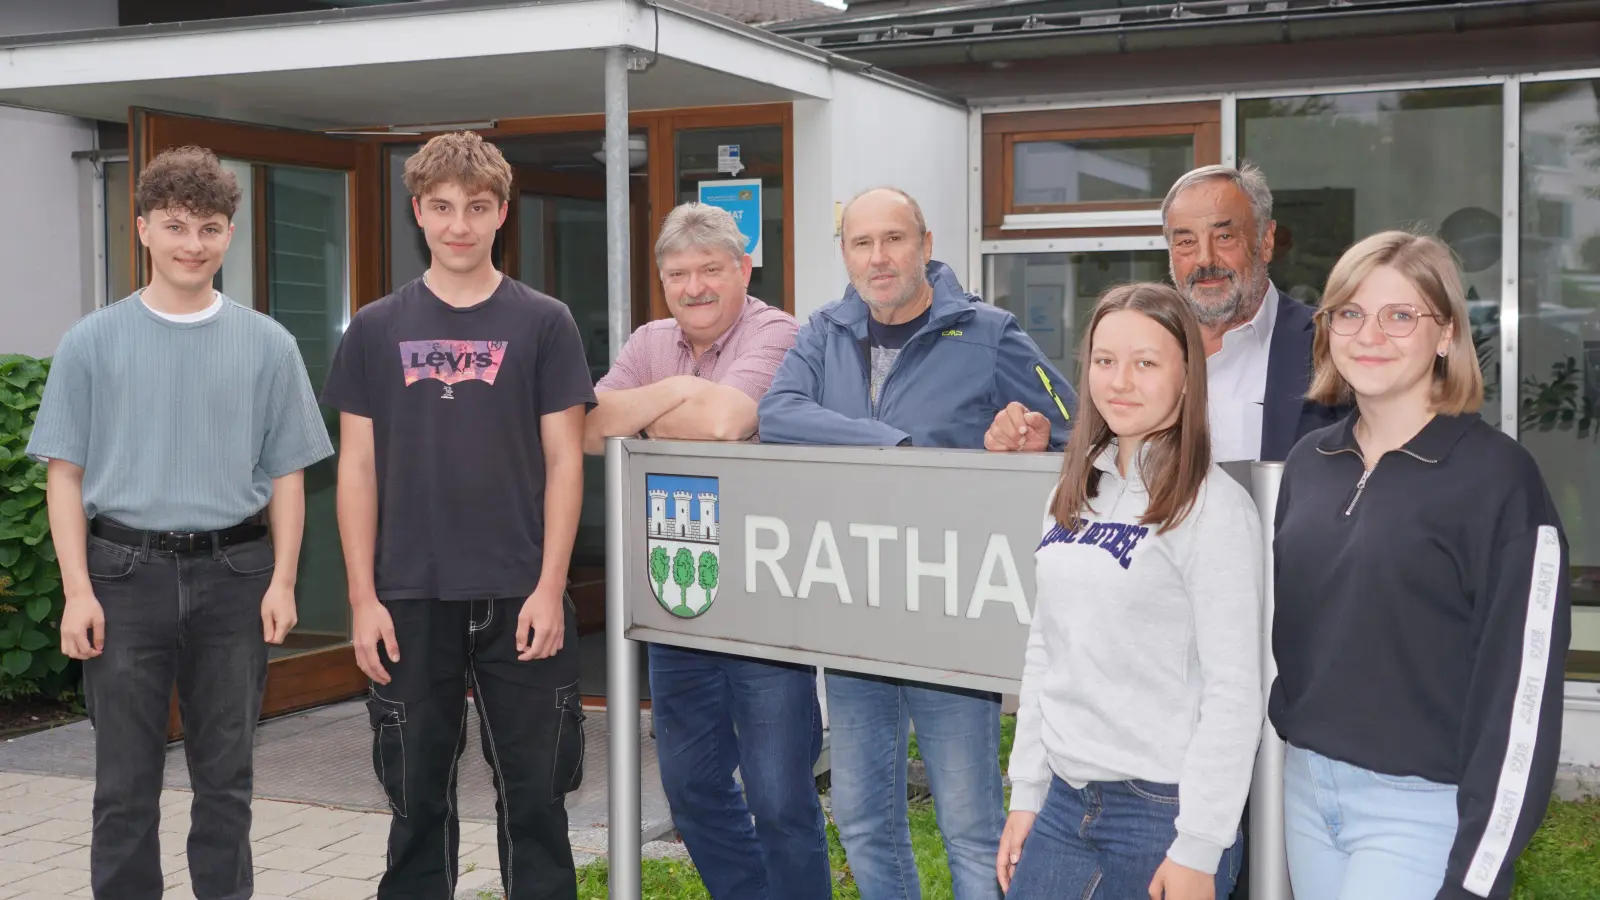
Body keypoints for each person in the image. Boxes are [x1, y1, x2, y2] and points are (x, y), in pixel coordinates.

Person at [26, 146, 333, 900]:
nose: (192, 243)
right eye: (175, 226)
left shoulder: (269, 344)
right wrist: (76, 592)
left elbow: (289, 477)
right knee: (124, 785)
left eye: (208, 227)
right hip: (121, 578)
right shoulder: (92, 341)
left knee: (226, 780)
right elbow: (63, 476)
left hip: (236, 577)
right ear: (142, 230)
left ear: (229, 234)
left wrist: (284, 581)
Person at [758, 186, 1074, 900]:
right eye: (862, 243)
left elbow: (1071, 424)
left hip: (947, 612)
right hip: (856, 606)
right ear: (845, 254)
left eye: (894, 239)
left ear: (925, 245)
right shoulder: (823, 331)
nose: (879, 257)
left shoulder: (988, 331)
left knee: (970, 824)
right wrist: (892, 444)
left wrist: (1025, 439)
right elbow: (777, 415)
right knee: (866, 818)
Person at [321, 131, 596, 900]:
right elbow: (358, 469)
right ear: (418, 212)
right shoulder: (376, 329)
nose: (459, 225)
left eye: (476, 208)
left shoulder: (546, 322)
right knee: (415, 802)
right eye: (441, 208)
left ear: (501, 212)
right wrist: (361, 599)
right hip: (407, 596)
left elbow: (565, 461)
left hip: (522, 594)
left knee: (539, 803)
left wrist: (550, 587)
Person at [1270, 231, 1571, 900]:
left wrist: (1477, 874)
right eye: (1349, 312)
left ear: (1445, 334)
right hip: (1307, 791)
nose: (1369, 333)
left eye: (1400, 315)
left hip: (1422, 809)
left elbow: (1521, 700)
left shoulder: (1498, 481)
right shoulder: (1309, 464)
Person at [584, 202, 826, 898]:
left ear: (744, 268)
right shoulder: (651, 341)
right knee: (690, 790)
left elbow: (727, 422)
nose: (694, 287)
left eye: (710, 270)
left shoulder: (779, 331)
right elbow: (587, 427)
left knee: (781, 795)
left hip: (761, 602)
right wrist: (682, 389)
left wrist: (649, 417)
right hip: (679, 594)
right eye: (677, 274)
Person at [998, 281, 1262, 900]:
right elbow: (1046, 650)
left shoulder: (1214, 508)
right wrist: (1027, 792)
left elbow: (1234, 689)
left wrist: (1199, 845)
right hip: (1064, 799)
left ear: (1187, 378)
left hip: (1161, 811)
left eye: (1146, 363)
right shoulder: (1074, 491)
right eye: (1104, 360)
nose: (1120, 381)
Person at [1161, 163, 1345, 463]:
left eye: (1224, 237)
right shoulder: (1146, 351)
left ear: (1266, 241)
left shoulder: (1331, 346)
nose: (1204, 259)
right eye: (1186, 242)